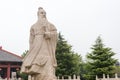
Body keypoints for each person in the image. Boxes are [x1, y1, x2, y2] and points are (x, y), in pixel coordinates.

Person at [21, 7, 58, 80]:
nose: (43, 15)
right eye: (42, 13)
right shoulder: (33, 26)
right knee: (36, 68)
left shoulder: (50, 25)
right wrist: (31, 50)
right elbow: (31, 40)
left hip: (47, 48)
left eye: (45, 13)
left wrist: (49, 34)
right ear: (38, 14)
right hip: (36, 48)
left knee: (49, 65)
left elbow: (55, 34)